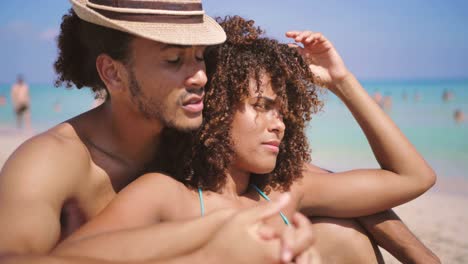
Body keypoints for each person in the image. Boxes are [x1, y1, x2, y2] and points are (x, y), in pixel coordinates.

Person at [0, 1, 439, 264]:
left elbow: (327, 184)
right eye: (174, 61)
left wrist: (422, 257)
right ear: (112, 72)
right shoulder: (51, 162)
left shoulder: (193, 140)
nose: (199, 77)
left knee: (342, 230)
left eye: (200, 58)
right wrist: (209, 243)